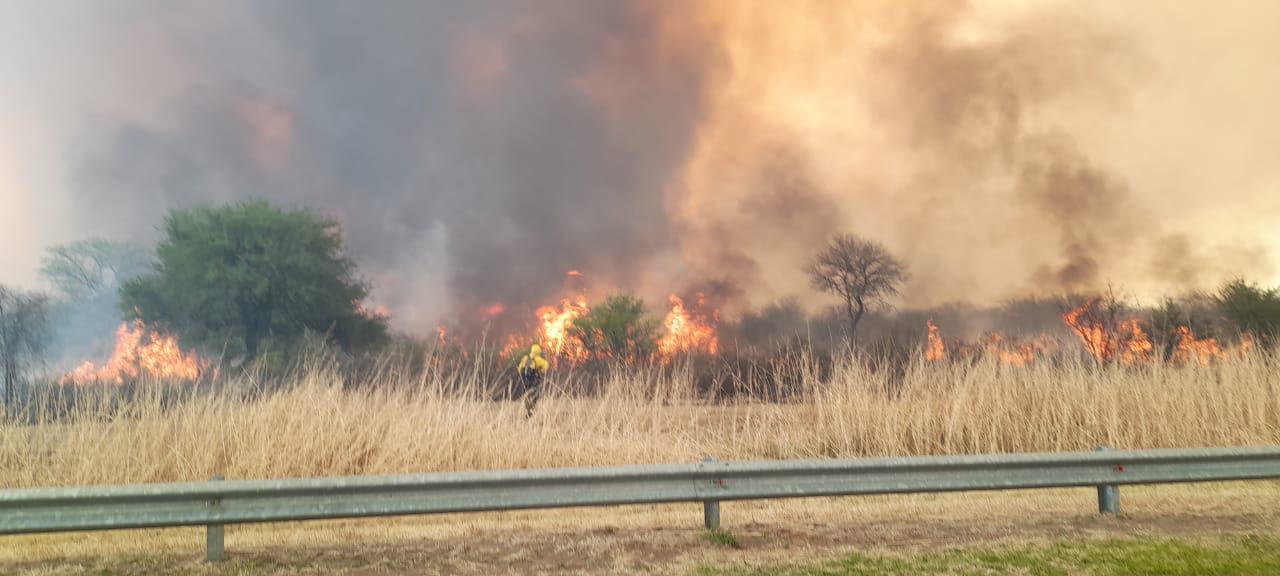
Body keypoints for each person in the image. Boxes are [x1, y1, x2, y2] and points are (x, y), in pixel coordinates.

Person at [517, 343, 549, 417]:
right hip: (534, 383)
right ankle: (531, 412)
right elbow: (546, 367)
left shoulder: (525, 358)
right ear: (539, 352)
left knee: (527, 398)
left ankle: (528, 411)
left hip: (525, 383)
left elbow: (519, 369)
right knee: (535, 396)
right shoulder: (539, 360)